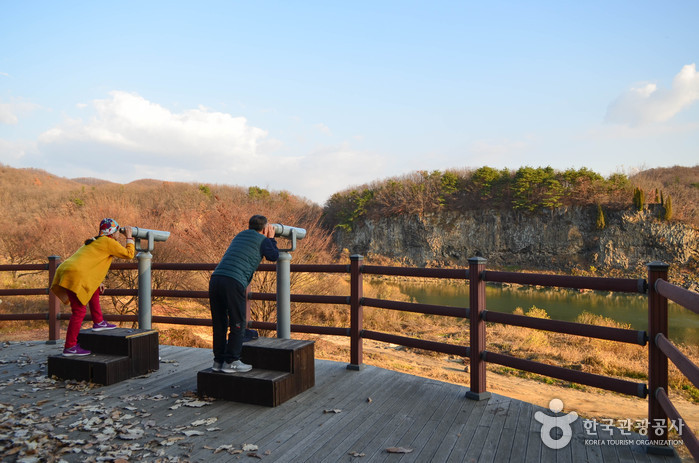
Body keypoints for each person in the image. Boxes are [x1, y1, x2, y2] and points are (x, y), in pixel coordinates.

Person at [51, 218, 135, 356]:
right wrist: (129, 237)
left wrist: (96, 281)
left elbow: (88, 261)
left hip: (67, 270)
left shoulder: (94, 240)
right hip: (75, 274)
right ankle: (70, 347)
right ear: (112, 232)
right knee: (78, 311)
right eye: (117, 231)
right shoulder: (108, 242)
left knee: (93, 289)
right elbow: (129, 254)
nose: (118, 235)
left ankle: (99, 322)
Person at [209, 215, 279, 373]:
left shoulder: (240, 235)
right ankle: (232, 361)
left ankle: (218, 361)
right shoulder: (264, 240)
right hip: (233, 281)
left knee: (219, 323)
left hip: (216, 279)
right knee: (238, 322)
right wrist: (272, 238)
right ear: (265, 228)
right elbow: (274, 256)